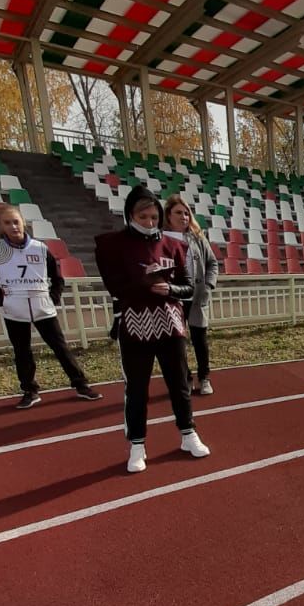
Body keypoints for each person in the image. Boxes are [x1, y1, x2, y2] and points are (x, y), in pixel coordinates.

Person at [94, 185, 210, 473]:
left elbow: (187, 287)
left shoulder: (174, 246)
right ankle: (137, 444)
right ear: (130, 215)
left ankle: (188, 433)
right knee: (137, 389)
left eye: (154, 217)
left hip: (170, 325)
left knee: (179, 384)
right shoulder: (113, 245)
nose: (149, 222)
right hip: (135, 325)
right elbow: (115, 287)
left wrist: (169, 287)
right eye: (142, 216)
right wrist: (146, 283)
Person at [0, 203, 102, 410]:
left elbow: (57, 278)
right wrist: (2, 299)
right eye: (7, 223)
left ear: (23, 223)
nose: (13, 227)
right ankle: (30, 390)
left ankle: (81, 385)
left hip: (42, 307)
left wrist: (53, 297)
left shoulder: (40, 247)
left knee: (60, 347)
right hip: (15, 309)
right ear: (0, 226)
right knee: (22, 351)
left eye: (16, 222)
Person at [163, 195, 219, 395]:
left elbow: (212, 263)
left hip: (196, 298)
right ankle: (185, 378)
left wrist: (208, 284)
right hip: (173, 299)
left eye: (187, 213)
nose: (184, 217)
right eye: (178, 212)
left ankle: (204, 378)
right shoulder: (160, 239)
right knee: (176, 344)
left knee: (199, 340)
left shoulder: (198, 238)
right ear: (168, 215)